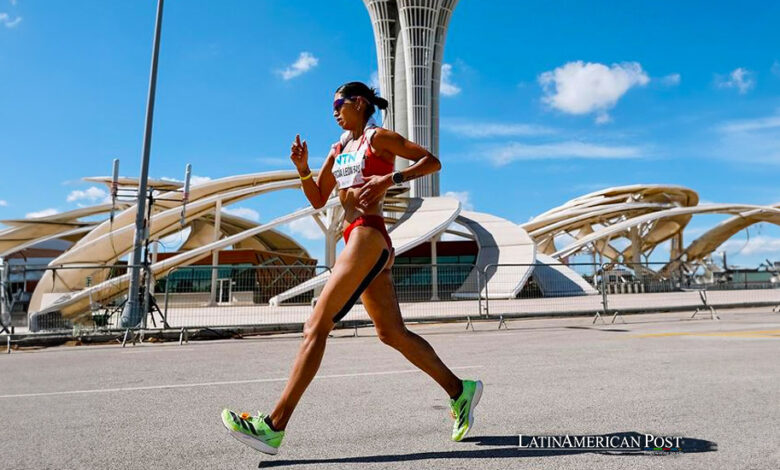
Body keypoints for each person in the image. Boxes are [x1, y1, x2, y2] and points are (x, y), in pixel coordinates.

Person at [221, 81, 483, 454]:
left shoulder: (379, 138)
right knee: (392, 333)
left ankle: (273, 426)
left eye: (339, 104)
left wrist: (390, 179)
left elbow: (431, 161)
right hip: (354, 237)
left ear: (359, 103)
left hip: (368, 235)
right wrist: (302, 169)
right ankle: (461, 391)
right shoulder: (339, 147)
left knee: (316, 324)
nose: (334, 112)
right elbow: (317, 198)